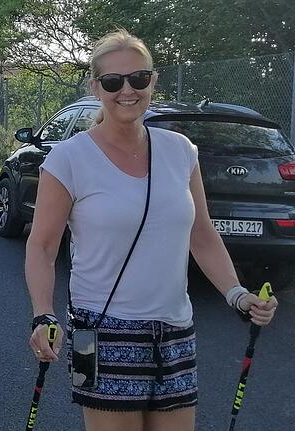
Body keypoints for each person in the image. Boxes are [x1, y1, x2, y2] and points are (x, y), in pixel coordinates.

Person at [25, 29, 277, 431]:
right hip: (105, 331)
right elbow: (41, 246)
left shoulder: (180, 151)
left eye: (138, 78)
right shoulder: (69, 160)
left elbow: (202, 233)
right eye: (113, 81)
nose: (127, 90)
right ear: (96, 87)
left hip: (175, 330)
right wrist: (43, 315)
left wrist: (237, 294)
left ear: (152, 81)